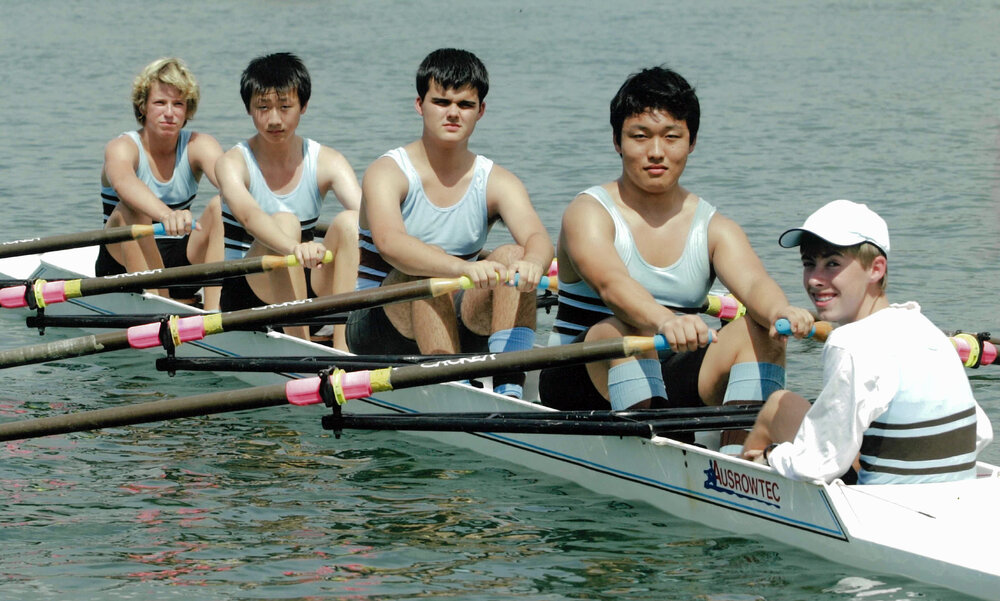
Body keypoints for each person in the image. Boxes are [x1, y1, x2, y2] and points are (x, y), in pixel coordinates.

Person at [537, 66, 813, 453]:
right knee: (623, 329)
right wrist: (665, 320)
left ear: (691, 142)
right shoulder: (589, 213)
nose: (656, 152)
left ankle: (740, 461)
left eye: (671, 137)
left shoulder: (715, 227)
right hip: (578, 376)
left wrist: (780, 311)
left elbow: (754, 283)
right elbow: (612, 284)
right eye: (640, 136)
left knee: (760, 330)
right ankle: (647, 454)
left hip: (671, 372)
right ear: (617, 142)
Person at [346, 48, 553, 399]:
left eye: (465, 105)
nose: (453, 113)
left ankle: (509, 385)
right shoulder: (388, 172)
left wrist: (533, 262)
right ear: (420, 105)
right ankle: (453, 389)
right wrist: (461, 268)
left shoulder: (497, 181)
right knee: (424, 267)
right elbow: (391, 243)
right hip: (379, 325)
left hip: (459, 316)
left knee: (513, 254)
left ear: (480, 111)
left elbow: (538, 236)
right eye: (441, 102)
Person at [742, 199, 993, 484]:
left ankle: (731, 481)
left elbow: (818, 465)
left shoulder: (849, 343)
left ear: (876, 269)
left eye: (832, 264)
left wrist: (773, 455)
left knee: (776, 408)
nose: (814, 280)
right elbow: (981, 433)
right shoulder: (926, 329)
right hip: (956, 497)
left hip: (880, 503)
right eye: (809, 264)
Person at [216, 52, 361, 344]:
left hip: (306, 283)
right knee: (285, 221)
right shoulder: (232, 163)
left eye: (285, 107)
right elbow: (250, 217)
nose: (274, 120)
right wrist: (294, 248)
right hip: (246, 292)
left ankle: (344, 347)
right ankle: (302, 347)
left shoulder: (328, 161)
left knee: (350, 222)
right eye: (263, 107)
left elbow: (370, 217)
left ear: (303, 106)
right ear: (249, 108)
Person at [98, 57, 225, 310]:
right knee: (132, 209)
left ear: (187, 110)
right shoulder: (122, 147)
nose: (169, 113)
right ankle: (159, 305)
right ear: (143, 106)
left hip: (179, 264)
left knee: (223, 206)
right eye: (160, 103)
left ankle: (215, 315)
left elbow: (232, 186)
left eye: (178, 104)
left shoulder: (199, 145)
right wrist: (167, 215)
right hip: (122, 263)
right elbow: (124, 182)